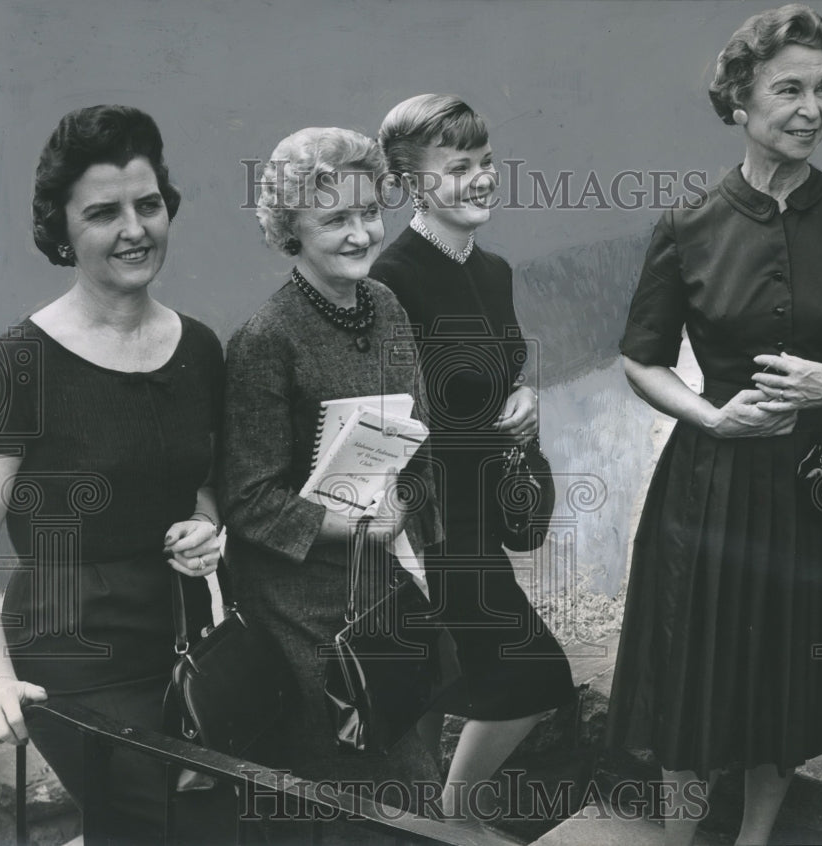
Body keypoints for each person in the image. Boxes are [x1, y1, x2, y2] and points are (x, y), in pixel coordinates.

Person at [603, 6, 822, 845]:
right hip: (710, 487)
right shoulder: (686, 224)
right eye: (789, 89)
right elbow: (640, 360)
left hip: (820, 494)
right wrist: (712, 416)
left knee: (787, 669)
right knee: (689, 674)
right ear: (738, 101)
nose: (811, 108)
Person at [0, 105, 225, 843]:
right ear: (63, 230)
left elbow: (200, 480)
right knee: (163, 824)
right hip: (72, 654)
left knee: (203, 816)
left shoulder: (200, 350)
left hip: (182, 639)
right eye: (104, 213)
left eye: (147, 205)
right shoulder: (19, 365)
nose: (134, 229)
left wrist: (206, 524)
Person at [218, 127, 443, 811]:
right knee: (345, 786)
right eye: (335, 220)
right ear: (291, 230)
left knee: (412, 754)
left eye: (369, 212)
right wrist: (355, 527)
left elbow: (419, 440)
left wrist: (403, 504)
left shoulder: (386, 305)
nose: (360, 233)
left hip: (376, 580)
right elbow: (250, 501)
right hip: (299, 607)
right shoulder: (266, 339)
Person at [371, 93, 576, 826]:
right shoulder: (390, 280)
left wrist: (525, 402)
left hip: (480, 517)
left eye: (485, 161)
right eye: (458, 167)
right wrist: (405, 536)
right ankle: (449, 819)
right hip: (432, 529)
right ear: (411, 183)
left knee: (475, 681)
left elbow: (492, 375)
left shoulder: (492, 271)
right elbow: (387, 418)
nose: (482, 178)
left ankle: (444, 818)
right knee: (528, 673)